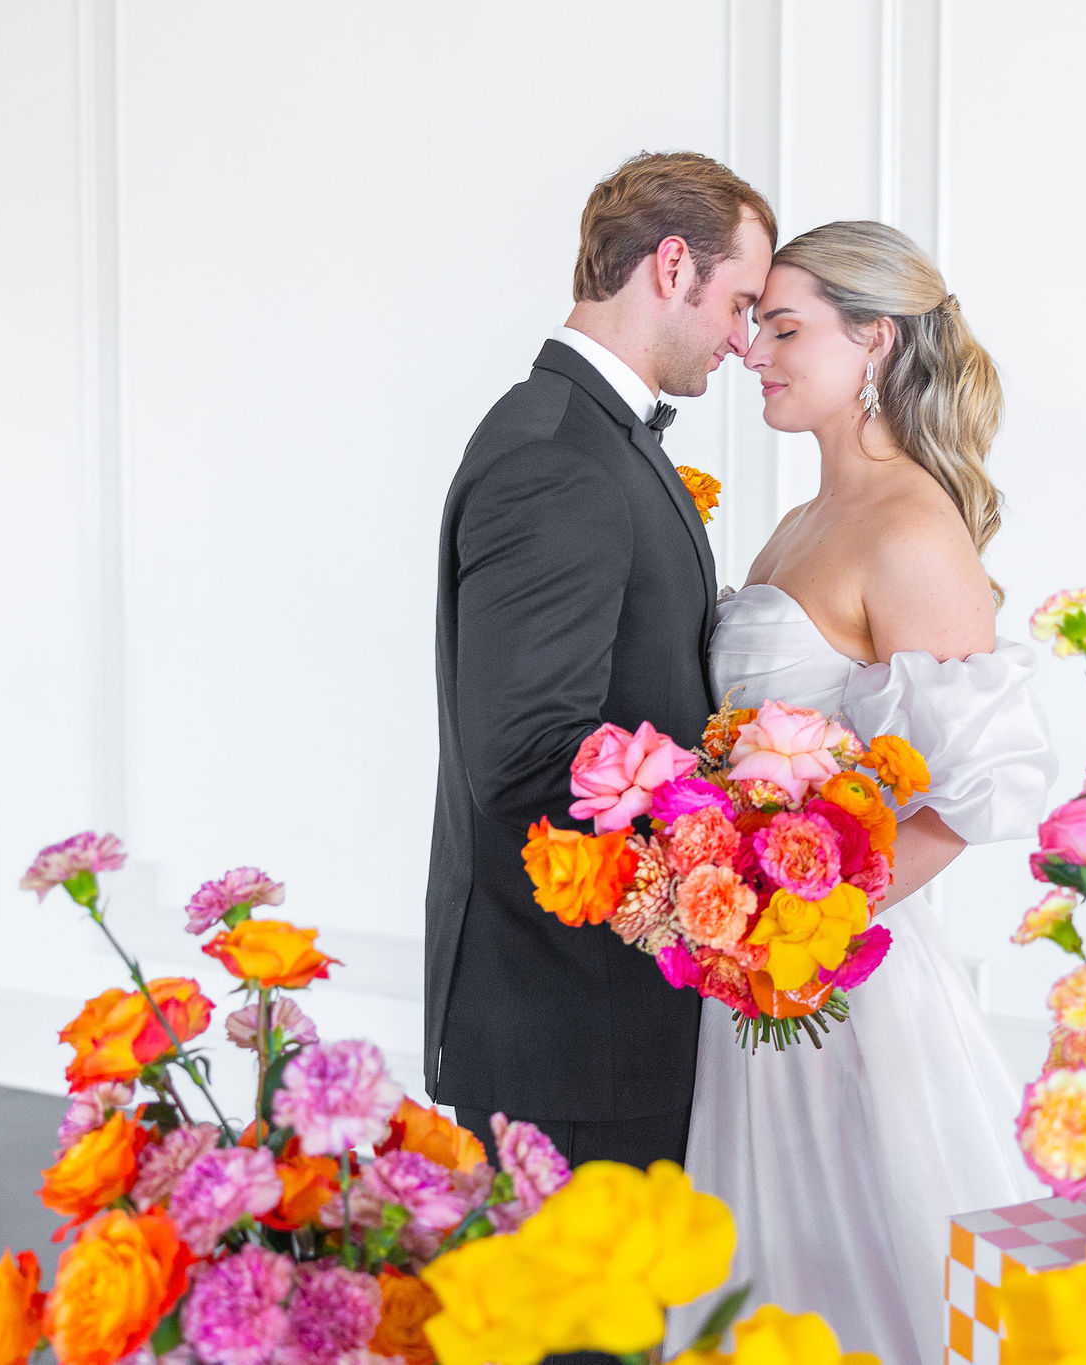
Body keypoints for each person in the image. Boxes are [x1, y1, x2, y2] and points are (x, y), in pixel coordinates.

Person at [680, 220, 1057, 1365]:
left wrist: (806, 934)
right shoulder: (800, 523)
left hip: (844, 985)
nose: (754, 351)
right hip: (744, 977)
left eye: (785, 328)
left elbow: (968, 793)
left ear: (876, 343)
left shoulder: (909, 526)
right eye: (753, 325)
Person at [423, 151, 775, 1172]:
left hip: (596, 1015)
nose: (743, 340)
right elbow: (527, 752)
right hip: (571, 1024)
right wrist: (720, 856)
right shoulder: (555, 456)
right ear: (672, 268)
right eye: (740, 302)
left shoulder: (588, 436)